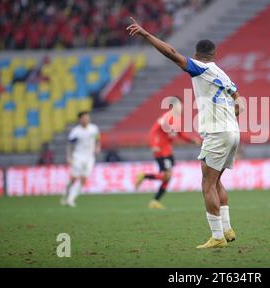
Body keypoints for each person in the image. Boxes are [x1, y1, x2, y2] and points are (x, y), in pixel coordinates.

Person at [127, 17, 244, 248]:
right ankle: (227, 229)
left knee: (207, 185)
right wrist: (232, 115)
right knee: (217, 181)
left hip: (218, 133)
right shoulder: (222, 74)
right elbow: (239, 101)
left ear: (197, 54)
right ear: (215, 54)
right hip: (232, 131)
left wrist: (146, 35)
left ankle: (218, 237)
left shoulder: (200, 68)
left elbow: (171, 52)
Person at [135, 96, 200, 209]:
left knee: (167, 177)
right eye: (181, 105)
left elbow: (180, 134)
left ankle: (155, 201)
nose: (183, 107)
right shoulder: (166, 117)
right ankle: (144, 177)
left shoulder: (177, 119)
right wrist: (154, 145)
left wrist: (191, 140)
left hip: (168, 151)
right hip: (161, 151)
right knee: (167, 176)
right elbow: (154, 131)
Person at [61, 112, 101, 207]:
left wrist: (98, 147)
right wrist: (68, 156)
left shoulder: (93, 129)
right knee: (74, 178)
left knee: (83, 178)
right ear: (80, 119)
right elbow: (70, 144)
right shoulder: (76, 131)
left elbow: (98, 139)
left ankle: (71, 199)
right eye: (84, 118)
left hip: (90, 157)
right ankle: (65, 195)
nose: (86, 120)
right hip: (78, 156)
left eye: (87, 118)